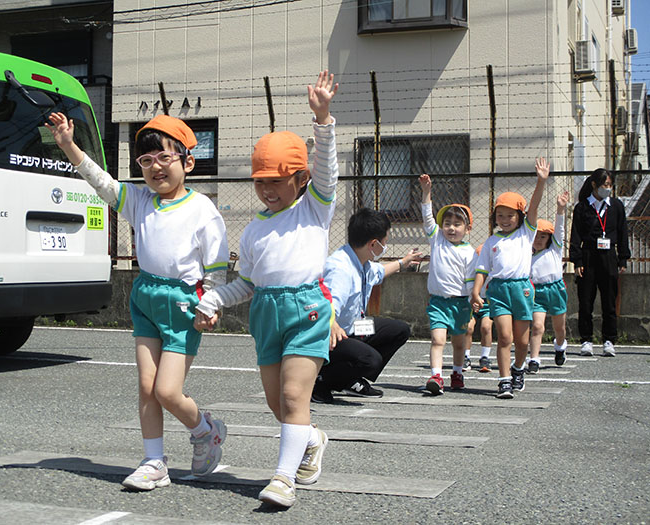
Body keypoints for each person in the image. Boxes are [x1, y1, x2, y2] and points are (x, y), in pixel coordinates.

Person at [45, 112, 229, 490]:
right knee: (147, 387)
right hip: (145, 296)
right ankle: (153, 461)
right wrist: (68, 146)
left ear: (187, 162)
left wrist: (212, 303)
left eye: (164, 158)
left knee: (167, 391)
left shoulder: (203, 210)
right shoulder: (140, 200)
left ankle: (205, 429)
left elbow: (216, 266)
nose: (155, 167)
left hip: (184, 305)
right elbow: (103, 184)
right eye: (146, 161)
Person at [194, 71, 339, 508]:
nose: (267, 188)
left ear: (300, 178)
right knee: (280, 405)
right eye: (261, 180)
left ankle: (283, 478)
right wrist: (213, 298)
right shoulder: (255, 230)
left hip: (308, 310)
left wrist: (323, 119)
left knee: (295, 396)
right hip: (267, 315)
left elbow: (328, 170)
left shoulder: (316, 207)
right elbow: (248, 286)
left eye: (276, 180)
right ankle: (312, 438)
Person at [310, 208, 422, 404]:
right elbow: (326, 306)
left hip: (355, 327)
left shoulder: (362, 261)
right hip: (331, 336)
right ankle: (320, 381)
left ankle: (348, 380)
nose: (385, 246)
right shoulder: (341, 269)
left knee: (398, 330)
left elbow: (380, 272)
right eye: (385, 242)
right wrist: (332, 324)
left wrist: (404, 262)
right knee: (370, 360)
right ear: (373, 244)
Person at [471, 157, 549, 398]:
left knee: (522, 341)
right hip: (499, 291)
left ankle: (517, 369)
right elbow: (482, 270)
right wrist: (476, 292)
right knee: (504, 336)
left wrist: (541, 182)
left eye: (509, 216)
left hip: (523, 290)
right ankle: (504, 380)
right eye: (500, 216)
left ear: (520, 216)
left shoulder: (527, 233)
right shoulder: (491, 242)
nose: (504, 220)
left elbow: (534, 207)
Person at [419, 174, 477, 395]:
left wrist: (474, 299)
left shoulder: (469, 252)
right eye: (447, 224)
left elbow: (471, 279)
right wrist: (427, 192)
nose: (451, 228)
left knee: (460, 343)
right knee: (437, 339)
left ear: (467, 228)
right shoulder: (437, 240)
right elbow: (427, 218)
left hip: (461, 304)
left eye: (457, 224)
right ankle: (436, 375)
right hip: (438, 302)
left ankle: (457, 372)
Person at [569, 169, 630, 357]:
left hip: (609, 256)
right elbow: (576, 235)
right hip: (588, 256)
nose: (608, 189)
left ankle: (609, 339)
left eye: (610, 185)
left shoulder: (616, 206)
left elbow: (622, 232)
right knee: (586, 301)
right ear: (594, 185)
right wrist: (577, 259)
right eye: (605, 185)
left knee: (609, 301)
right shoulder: (582, 207)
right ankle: (586, 339)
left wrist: (622, 257)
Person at [528, 192, 570, 372]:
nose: (538, 240)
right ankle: (534, 359)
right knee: (537, 326)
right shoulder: (525, 255)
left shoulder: (555, 249)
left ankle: (560, 347)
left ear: (549, 239)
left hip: (556, 289)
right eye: (536, 235)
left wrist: (560, 208)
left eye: (543, 236)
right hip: (536, 291)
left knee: (559, 328)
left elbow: (560, 228)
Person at [464, 244, 494, 373]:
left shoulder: (495, 271)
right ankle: (465, 356)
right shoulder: (472, 269)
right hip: (471, 302)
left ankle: (485, 357)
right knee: (468, 327)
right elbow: (468, 287)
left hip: (488, 304)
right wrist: (472, 301)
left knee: (486, 327)